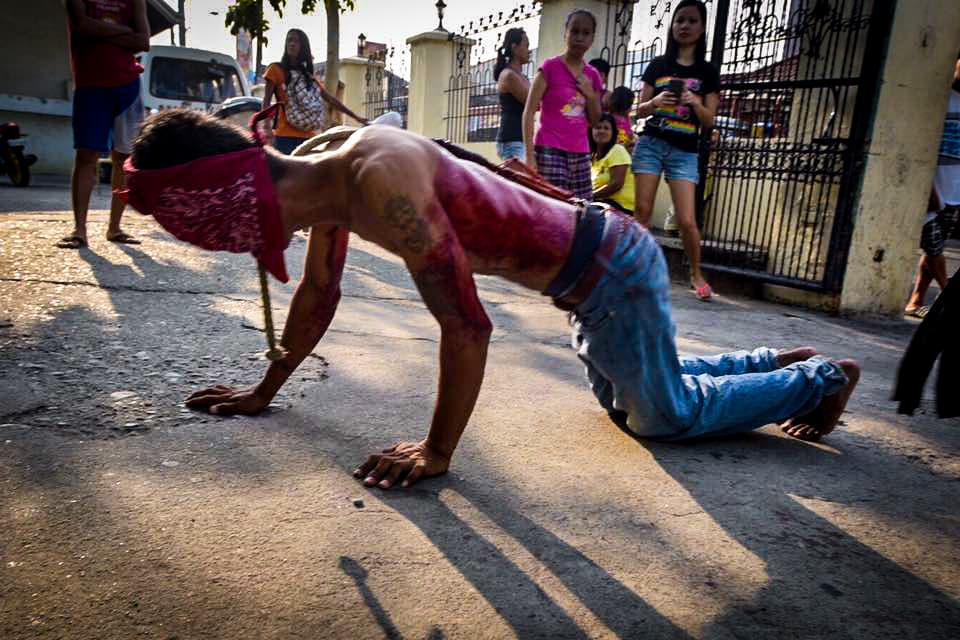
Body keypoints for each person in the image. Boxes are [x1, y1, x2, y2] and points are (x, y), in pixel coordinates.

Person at [122, 108, 860, 490]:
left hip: (611, 274)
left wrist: (438, 451)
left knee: (661, 418)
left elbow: (468, 327)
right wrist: (263, 390)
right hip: (592, 279)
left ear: (241, 192)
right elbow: (318, 293)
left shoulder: (380, 182)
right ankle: (772, 362)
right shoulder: (321, 169)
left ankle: (817, 380)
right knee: (633, 394)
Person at [632, 0, 719, 301]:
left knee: (686, 220)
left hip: (685, 151)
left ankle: (696, 274)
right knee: (642, 211)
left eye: (692, 20)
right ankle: (635, 270)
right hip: (651, 144)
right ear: (672, 25)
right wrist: (656, 103)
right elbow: (638, 111)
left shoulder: (707, 72)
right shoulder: (658, 65)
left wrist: (694, 102)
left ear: (702, 27)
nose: (684, 25)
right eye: (680, 20)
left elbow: (709, 120)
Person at [58, 0, 149, 249]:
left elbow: (143, 41)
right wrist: (125, 33)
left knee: (124, 159)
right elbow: (82, 26)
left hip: (129, 88)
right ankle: (79, 230)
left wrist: (101, 32)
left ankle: (115, 228)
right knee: (86, 156)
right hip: (91, 85)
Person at [523, 10, 604, 199]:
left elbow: (595, 120)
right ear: (565, 33)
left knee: (583, 210)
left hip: (581, 153)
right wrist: (529, 156)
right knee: (554, 206)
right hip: (549, 150)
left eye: (585, 33)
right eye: (574, 31)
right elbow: (528, 113)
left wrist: (590, 95)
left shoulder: (592, 76)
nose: (579, 37)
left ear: (592, 39)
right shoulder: (549, 68)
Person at [904, 54, 960, 318]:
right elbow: (918, 141)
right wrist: (927, 188)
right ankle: (949, 298)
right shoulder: (939, 98)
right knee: (935, 248)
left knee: (932, 250)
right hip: (930, 190)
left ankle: (915, 303)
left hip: (955, 193)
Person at [494, 28, 531, 162]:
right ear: (515, 48)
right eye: (526, 46)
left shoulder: (521, 77)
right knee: (518, 182)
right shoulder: (509, 75)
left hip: (519, 140)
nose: (529, 50)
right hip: (512, 141)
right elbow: (533, 102)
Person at [589, 113, 634, 215]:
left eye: (606, 128)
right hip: (604, 204)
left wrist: (589, 196)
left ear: (613, 133)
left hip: (621, 208)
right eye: (598, 127)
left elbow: (616, 184)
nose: (601, 131)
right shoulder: (593, 157)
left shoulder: (617, 150)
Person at [608, 86, 636, 151]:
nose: (631, 108)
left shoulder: (626, 117)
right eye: (630, 105)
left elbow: (629, 132)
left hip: (625, 149)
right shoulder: (610, 118)